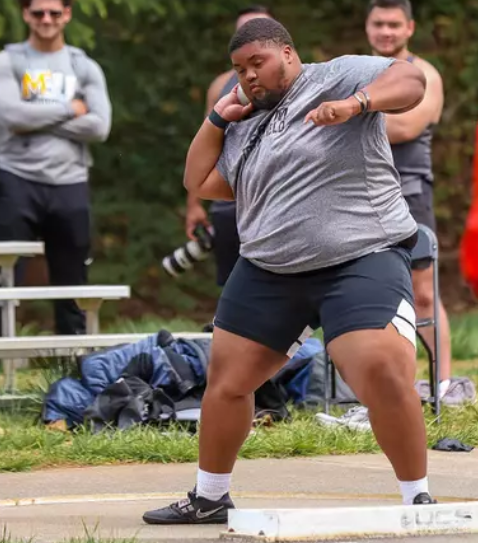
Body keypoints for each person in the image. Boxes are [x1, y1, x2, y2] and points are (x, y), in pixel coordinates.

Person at [143, 18, 435, 525]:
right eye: (239, 69)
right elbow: (199, 179)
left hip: (359, 255)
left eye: (257, 62)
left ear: (288, 52)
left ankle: (418, 500)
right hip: (270, 268)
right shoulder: (244, 124)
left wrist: (355, 104)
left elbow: (412, 84)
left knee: (378, 369)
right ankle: (210, 498)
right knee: (228, 380)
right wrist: (217, 118)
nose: (248, 76)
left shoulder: (337, 76)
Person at [0, 0, 112, 335]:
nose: (46, 19)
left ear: (67, 14)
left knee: (72, 274)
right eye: (37, 13)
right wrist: (70, 109)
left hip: (70, 180)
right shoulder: (9, 60)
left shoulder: (84, 66)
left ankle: (71, 362)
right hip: (15, 177)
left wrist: (37, 117)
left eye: (53, 12)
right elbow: (12, 117)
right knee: (6, 273)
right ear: (25, 15)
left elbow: (99, 127)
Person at [366, 0, 452, 399]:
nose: (386, 32)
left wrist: (349, 112)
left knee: (422, 291)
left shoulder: (425, 74)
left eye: (394, 25)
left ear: (410, 28)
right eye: (379, 24)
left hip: (410, 192)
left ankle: (443, 385)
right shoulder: (355, 70)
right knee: (361, 288)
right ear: (368, 27)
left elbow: (407, 126)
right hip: (359, 195)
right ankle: (367, 387)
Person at [185, 5, 273, 287]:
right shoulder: (220, 85)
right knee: (232, 282)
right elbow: (207, 141)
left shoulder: (291, 82)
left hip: (271, 196)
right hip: (228, 199)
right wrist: (194, 204)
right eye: (243, 31)